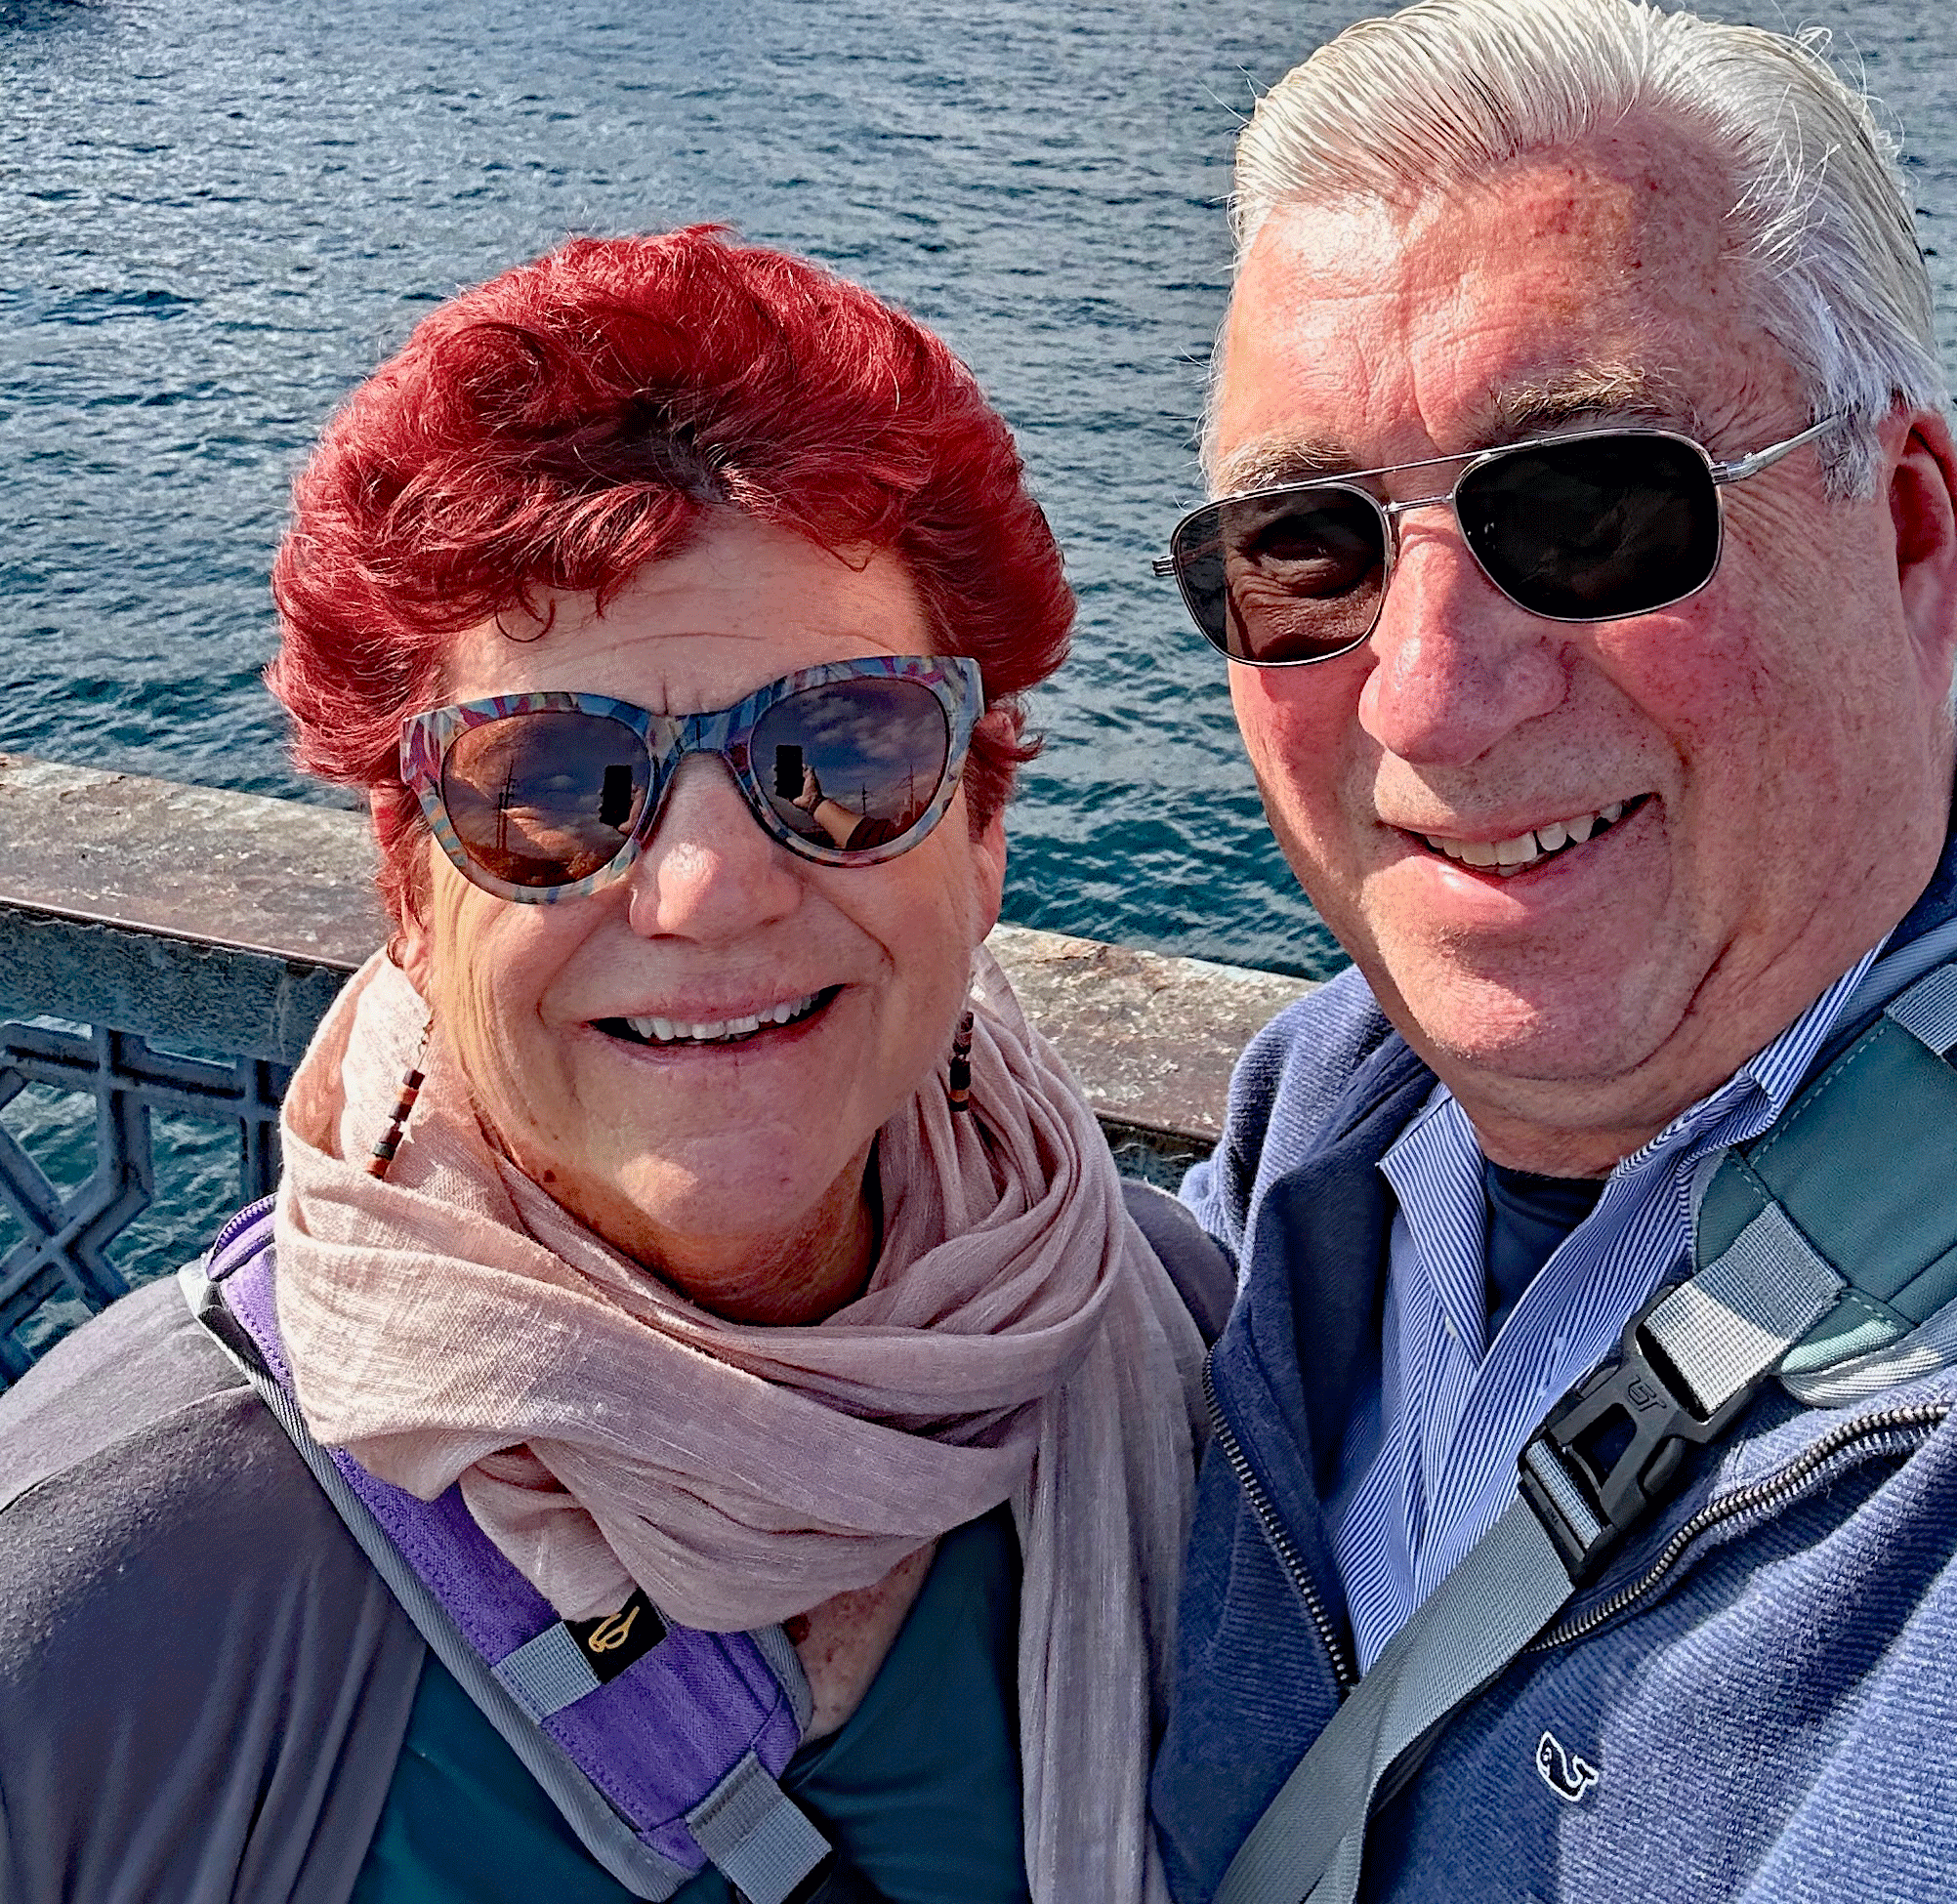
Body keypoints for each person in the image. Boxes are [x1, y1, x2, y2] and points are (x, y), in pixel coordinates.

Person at [1148, 0, 1957, 1902]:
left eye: (1586, 506)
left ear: (1911, 535)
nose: (1423, 698)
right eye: (1310, 546)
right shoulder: (1315, 1161)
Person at [0, 227, 1225, 1904]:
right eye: (555, 782)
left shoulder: (1183, 1350)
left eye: (844, 752)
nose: (711, 888)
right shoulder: (104, 1579)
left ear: (986, 829)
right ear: (406, 886)